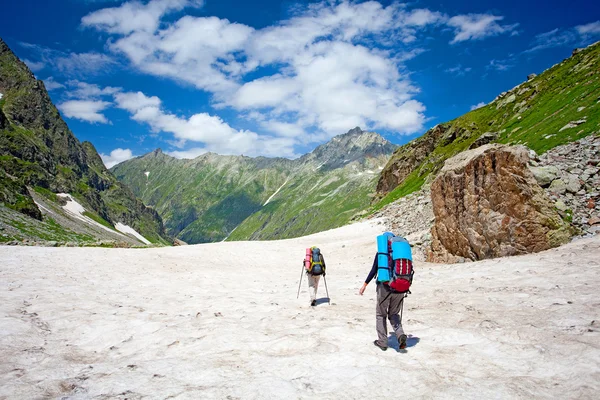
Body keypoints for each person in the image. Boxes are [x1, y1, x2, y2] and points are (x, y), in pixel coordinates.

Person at [359, 253, 407, 351]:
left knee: (381, 314)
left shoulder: (383, 251)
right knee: (394, 314)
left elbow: (374, 269)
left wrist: (365, 284)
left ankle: (383, 342)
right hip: (401, 287)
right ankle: (400, 334)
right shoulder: (401, 252)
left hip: (385, 287)